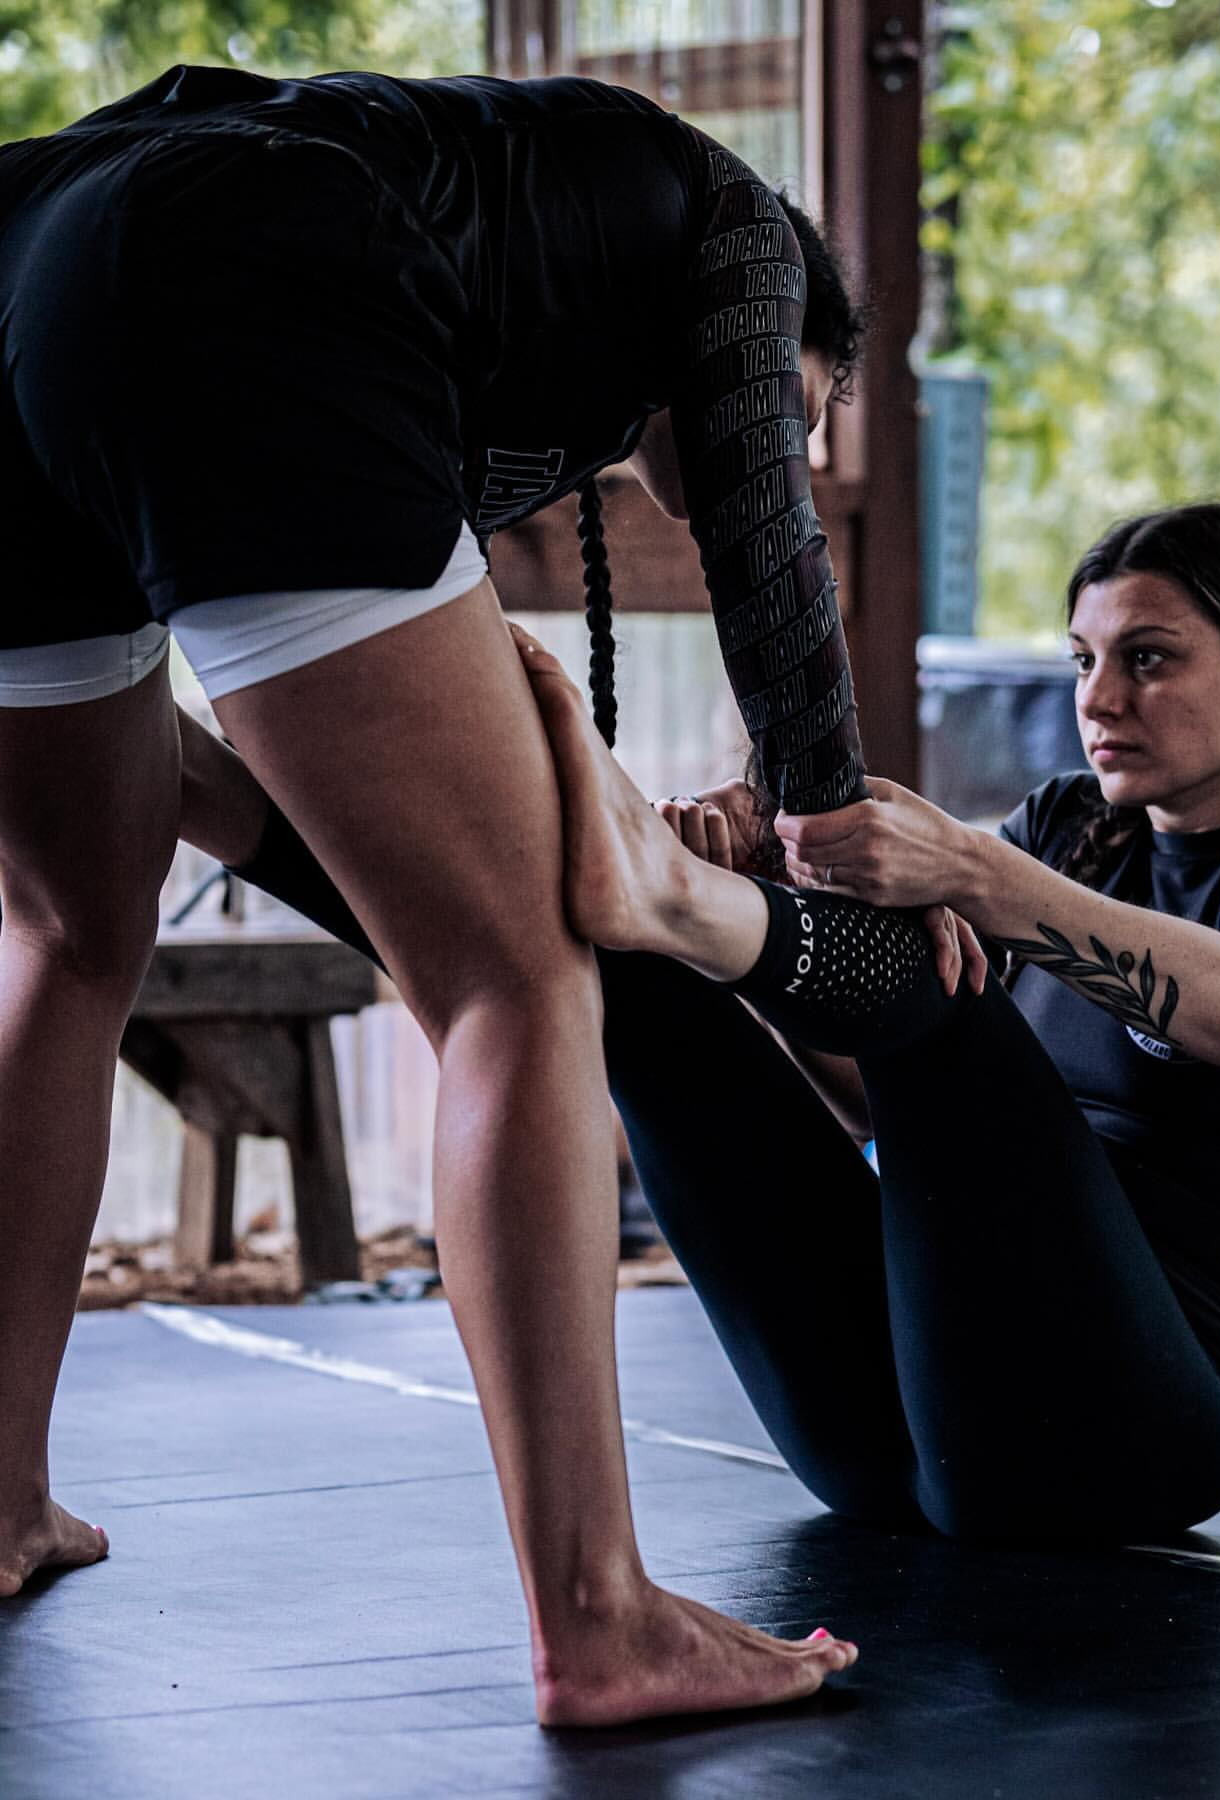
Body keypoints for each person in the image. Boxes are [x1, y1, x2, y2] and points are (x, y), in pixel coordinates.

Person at [0, 64, 880, 1726]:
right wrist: (832, 836)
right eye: (814, 404)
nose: (799, 434)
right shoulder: (746, 238)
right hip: (224, 251)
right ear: (805, 343)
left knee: (66, 928)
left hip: (26, 270)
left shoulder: (530, 265)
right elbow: (773, 559)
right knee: (517, 976)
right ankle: (601, 1619)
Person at [508, 498, 1220, 1540]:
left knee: (932, 977)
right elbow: (890, 1105)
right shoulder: (1072, 826)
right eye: (1083, 661)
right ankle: (463, 827)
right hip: (906, 1430)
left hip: (1127, 1438)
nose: (1100, 699)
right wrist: (756, 963)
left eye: (1149, 659)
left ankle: (682, 899)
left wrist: (967, 868)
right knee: (646, 982)